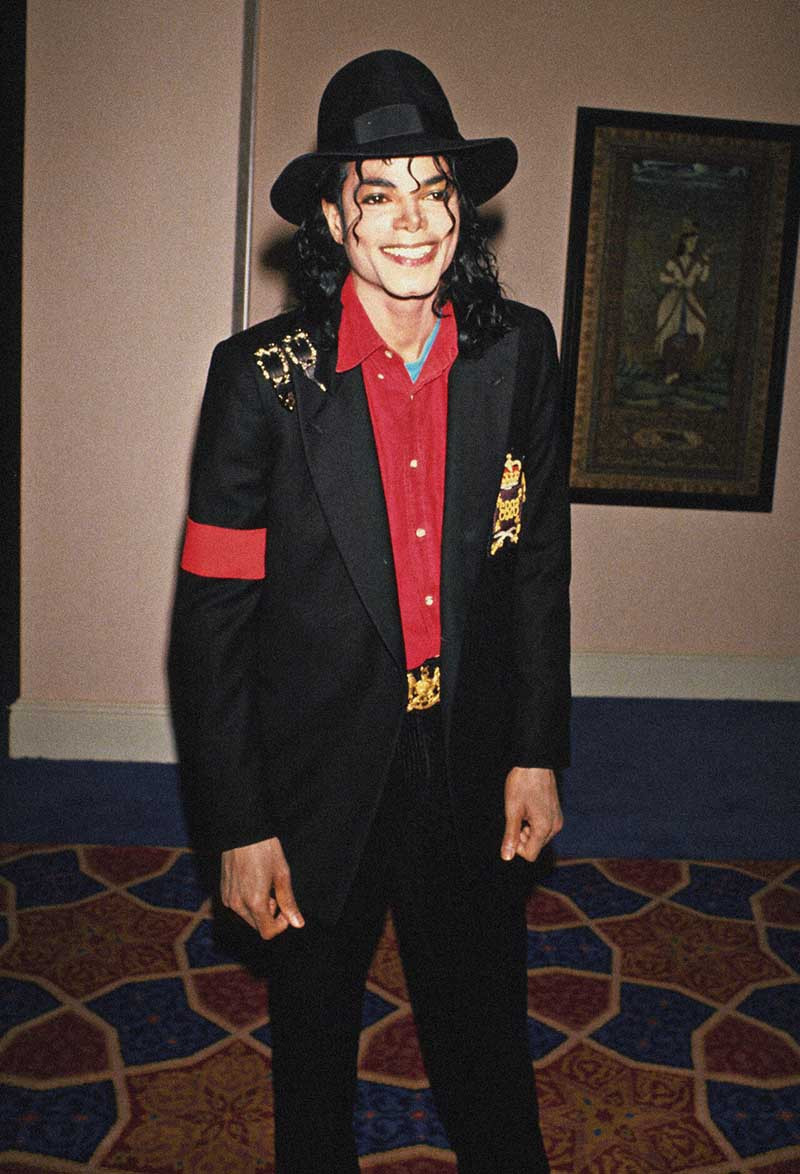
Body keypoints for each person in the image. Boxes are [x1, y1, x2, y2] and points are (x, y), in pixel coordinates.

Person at [169, 49, 570, 1173]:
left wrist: (535, 748)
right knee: (312, 1052)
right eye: (379, 193)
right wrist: (238, 825)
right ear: (333, 219)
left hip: (466, 754)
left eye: (433, 190)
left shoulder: (518, 351)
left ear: (461, 207)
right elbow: (212, 622)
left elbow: (537, 564)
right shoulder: (260, 379)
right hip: (314, 772)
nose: (412, 221)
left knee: (484, 1038)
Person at [655, 219, 711, 385]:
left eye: (695, 242)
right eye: (691, 241)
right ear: (684, 242)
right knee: (670, 332)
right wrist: (675, 280)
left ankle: (681, 370)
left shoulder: (696, 262)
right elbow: (662, 276)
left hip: (689, 299)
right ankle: (670, 371)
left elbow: (703, 278)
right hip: (674, 298)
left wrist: (706, 261)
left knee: (696, 330)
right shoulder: (675, 260)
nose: (693, 245)